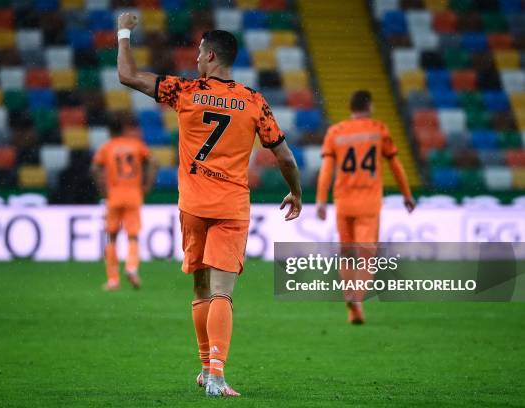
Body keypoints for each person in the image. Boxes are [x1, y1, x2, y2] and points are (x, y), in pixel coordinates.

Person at [116, 13, 302, 397]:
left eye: (201, 53)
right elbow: (284, 157)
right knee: (222, 293)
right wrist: (296, 192)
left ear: (213, 56)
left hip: (193, 206)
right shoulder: (253, 102)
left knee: (201, 289)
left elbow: (128, 76)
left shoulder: (184, 91)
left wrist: (123, 33)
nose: (197, 59)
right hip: (231, 208)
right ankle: (216, 375)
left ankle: (206, 370)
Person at [316, 90, 415, 324]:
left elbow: (327, 169)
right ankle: (357, 299)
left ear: (351, 108)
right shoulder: (378, 130)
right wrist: (407, 195)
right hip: (368, 203)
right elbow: (396, 165)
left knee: (347, 254)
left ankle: (351, 305)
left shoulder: (336, 132)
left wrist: (321, 200)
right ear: (368, 106)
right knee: (367, 256)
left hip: (343, 201)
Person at [91, 118, 157, 291]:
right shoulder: (136, 145)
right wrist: (148, 185)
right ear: (124, 129)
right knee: (133, 236)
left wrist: (102, 189)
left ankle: (113, 280)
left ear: (110, 132)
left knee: (111, 236)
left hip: (114, 195)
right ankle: (131, 267)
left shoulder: (107, 147)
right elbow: (153, 162)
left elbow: (94, 168)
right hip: (133, 194)